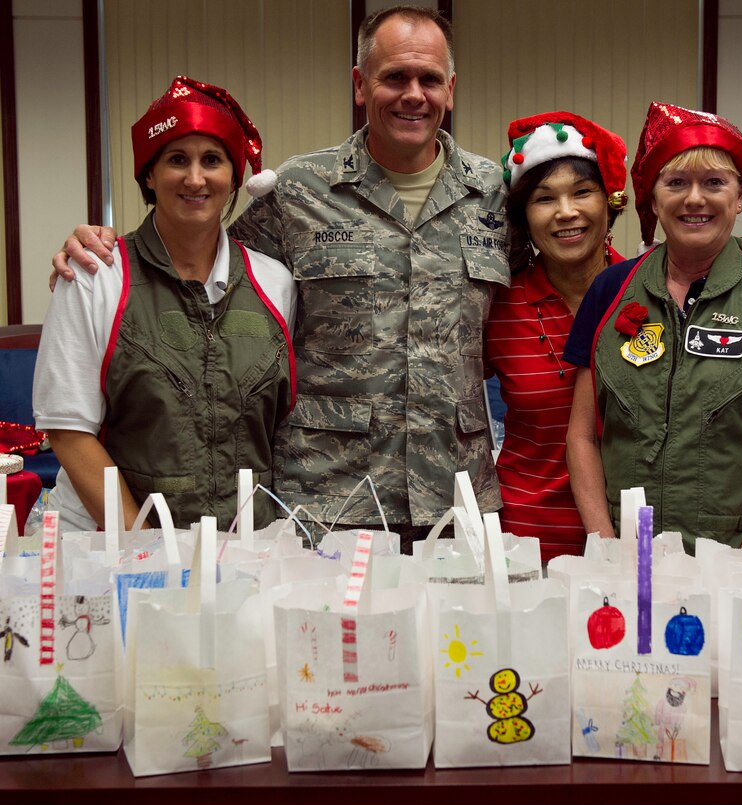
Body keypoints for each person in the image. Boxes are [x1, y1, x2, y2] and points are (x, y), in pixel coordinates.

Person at [50, 7, 509, 546]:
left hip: (457, 500)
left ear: (450, 89)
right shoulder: (298, 191)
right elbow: (199, 254)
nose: (414, 94)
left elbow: (559, 273)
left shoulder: (497, 195)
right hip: (329, 501)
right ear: (361, 86)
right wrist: (102, 247)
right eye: (394, 77)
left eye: (429, 79)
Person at [33, 76, 295, 532]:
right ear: (149, 176)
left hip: (247, 548)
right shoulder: (96, 276)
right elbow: (69, 431)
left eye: (212, 160)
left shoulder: (275, 284)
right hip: (114, 546)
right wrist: (145, 548)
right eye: (177, 160)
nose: (195, 178)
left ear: (234, 175)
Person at [564, 103, 742, 550]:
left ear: (739, 197)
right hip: (628, 553)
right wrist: (604, 545)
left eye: (714, 183)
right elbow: (581, 435)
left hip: (737, 555)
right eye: (676, 183)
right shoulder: (611, 289)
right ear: (653, 197)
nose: (694, 199)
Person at [485, 112, 628, 561]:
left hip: (637, 541)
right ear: (524, 219)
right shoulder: (496, 306)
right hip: (526, 543)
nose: (566, 212)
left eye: (582, 192)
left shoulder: (648, 293)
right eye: (545, 198)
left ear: (610, 202)